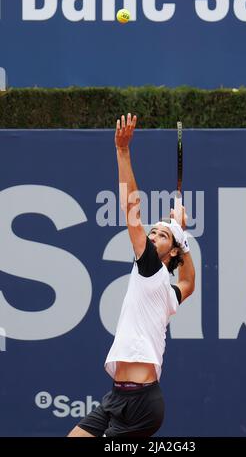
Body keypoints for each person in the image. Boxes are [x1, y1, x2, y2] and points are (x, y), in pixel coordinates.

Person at [68, 113, 195, 437]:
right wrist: (183, 236)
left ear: (171, 253)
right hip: (117, 396)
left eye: (161, 235)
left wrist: (122, 152)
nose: (152, 236)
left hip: (141, 403)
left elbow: (132, 211)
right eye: (152, 232)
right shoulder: (166, 292)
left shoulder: (153, 273)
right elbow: (188, 283)